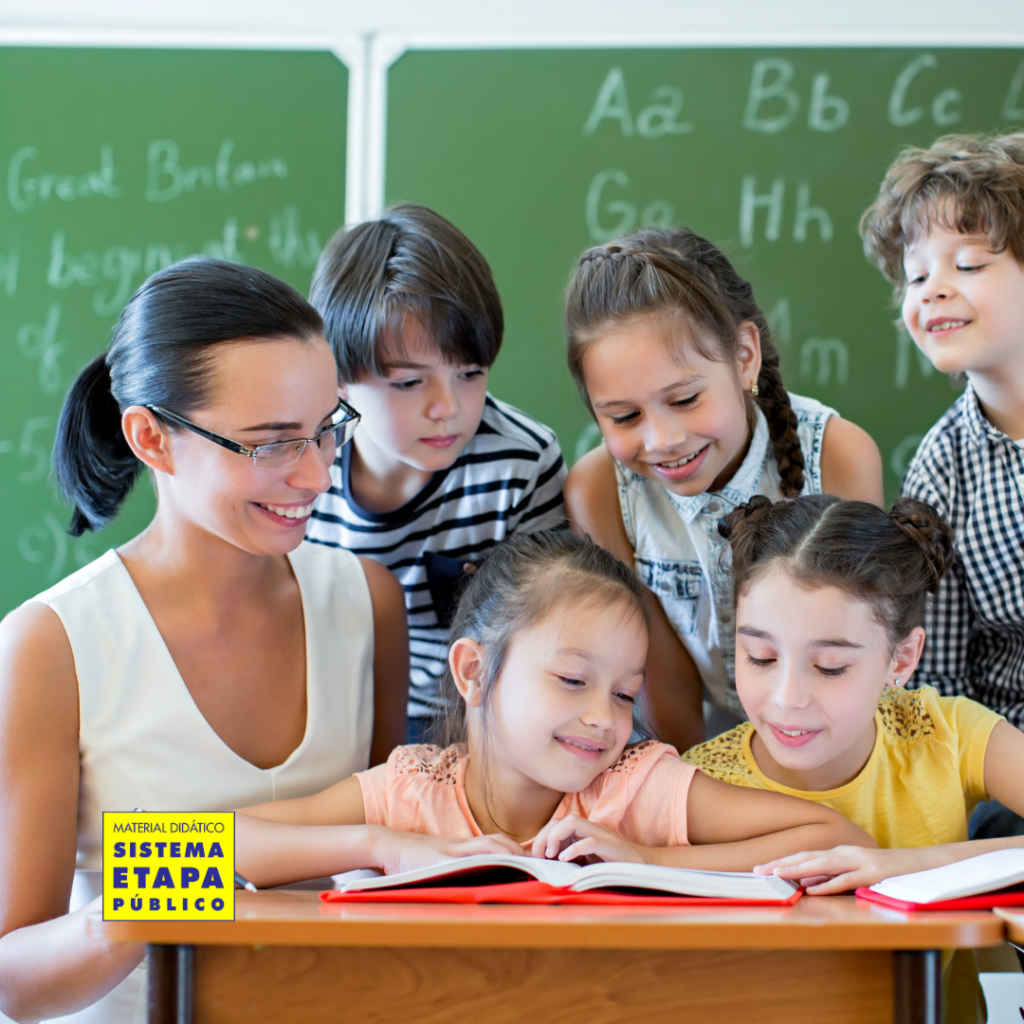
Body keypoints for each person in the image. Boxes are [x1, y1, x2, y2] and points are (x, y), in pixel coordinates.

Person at [0, 258, 408, 1023]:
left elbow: (382, 871)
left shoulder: (367, 603)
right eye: (272, 444)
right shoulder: (48, 646)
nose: (319, 476)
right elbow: (16, 980)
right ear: (151, 438)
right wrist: (205, 866)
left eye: (327, 432)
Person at [234, 530, 872, 888]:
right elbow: (144, 858)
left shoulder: (634, 787)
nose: (605, 718)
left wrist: (647, 860)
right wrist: (381, 845)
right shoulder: (409, 794)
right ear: (474, 671)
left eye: (626, 694)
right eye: (572, 679)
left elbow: (836, 837)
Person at [563, 227, 882, 750]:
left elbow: (854, 658)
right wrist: (698, 798)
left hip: (830, 736)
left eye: (685, 399)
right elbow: (661, 676)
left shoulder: (838, 456)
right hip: (701, 742)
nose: (662, 439)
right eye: (624, 416)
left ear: (744, 356)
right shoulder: (598, 491)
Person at [305, 205, 567, 743]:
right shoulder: (302, 461)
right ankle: (141, 834)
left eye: (470, 374)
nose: (448, 407)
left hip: (464, 721)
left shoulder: (521, 461)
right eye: (409, 383)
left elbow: (541, 635)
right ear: (339, 381)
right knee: (212, 822)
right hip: (328, 708)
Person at [682, 494, 1024, 881]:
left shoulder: (949, 732)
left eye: (830, 668)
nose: (787, 698)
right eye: (761, 657)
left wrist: (912, 864)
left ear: (902, 658)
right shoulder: (695, 786)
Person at [860, 132, 1024, 841]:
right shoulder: (941, 467)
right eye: (916, 275)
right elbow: (944, 686)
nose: (933, 290)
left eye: (967, 263)